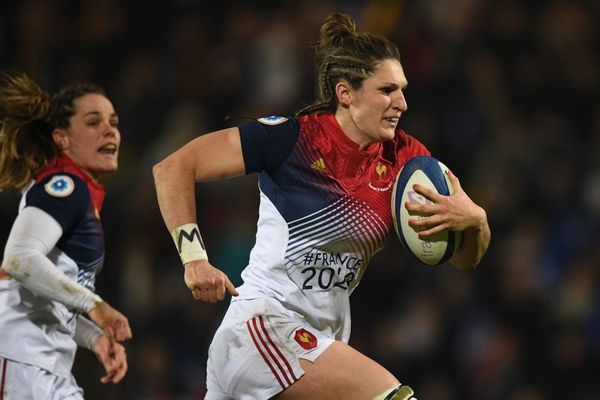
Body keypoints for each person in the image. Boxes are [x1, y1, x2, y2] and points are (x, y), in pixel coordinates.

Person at [153, 12, 490, 400]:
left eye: (403, 89)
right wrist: (193, 258)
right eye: (387, 90)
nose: (401, 103)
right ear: (346, 93)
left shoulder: (406, 161)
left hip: (316, 347)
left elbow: (465, 260)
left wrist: (475, 221)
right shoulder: (291, 140)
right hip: (263, 329)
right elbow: (173, 168)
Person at [0, 71, 132, 399]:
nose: (109, 129)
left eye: (113, 122)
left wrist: (94, 338)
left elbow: (44, 297)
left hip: (41, 366)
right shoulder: (65, 186)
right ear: (62, 139)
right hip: (20, 361)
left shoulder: (75, 192)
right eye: (93, 122)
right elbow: (18, 259)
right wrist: (94, 304)